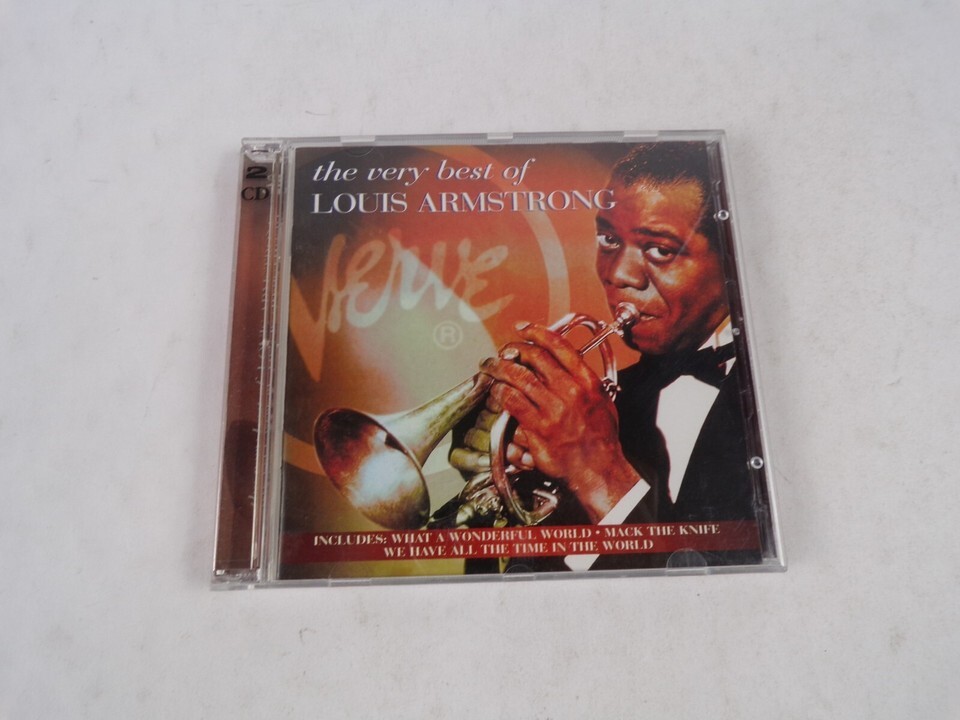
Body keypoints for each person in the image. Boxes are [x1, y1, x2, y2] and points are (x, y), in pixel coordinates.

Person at [449, 142, 765, 570]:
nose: (618, 274)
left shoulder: (773, 402)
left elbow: (727, 594)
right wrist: (494, 488)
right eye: (609, 240)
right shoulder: (599, 404)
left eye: (660, 249)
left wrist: (599, 475)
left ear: (731, 257)